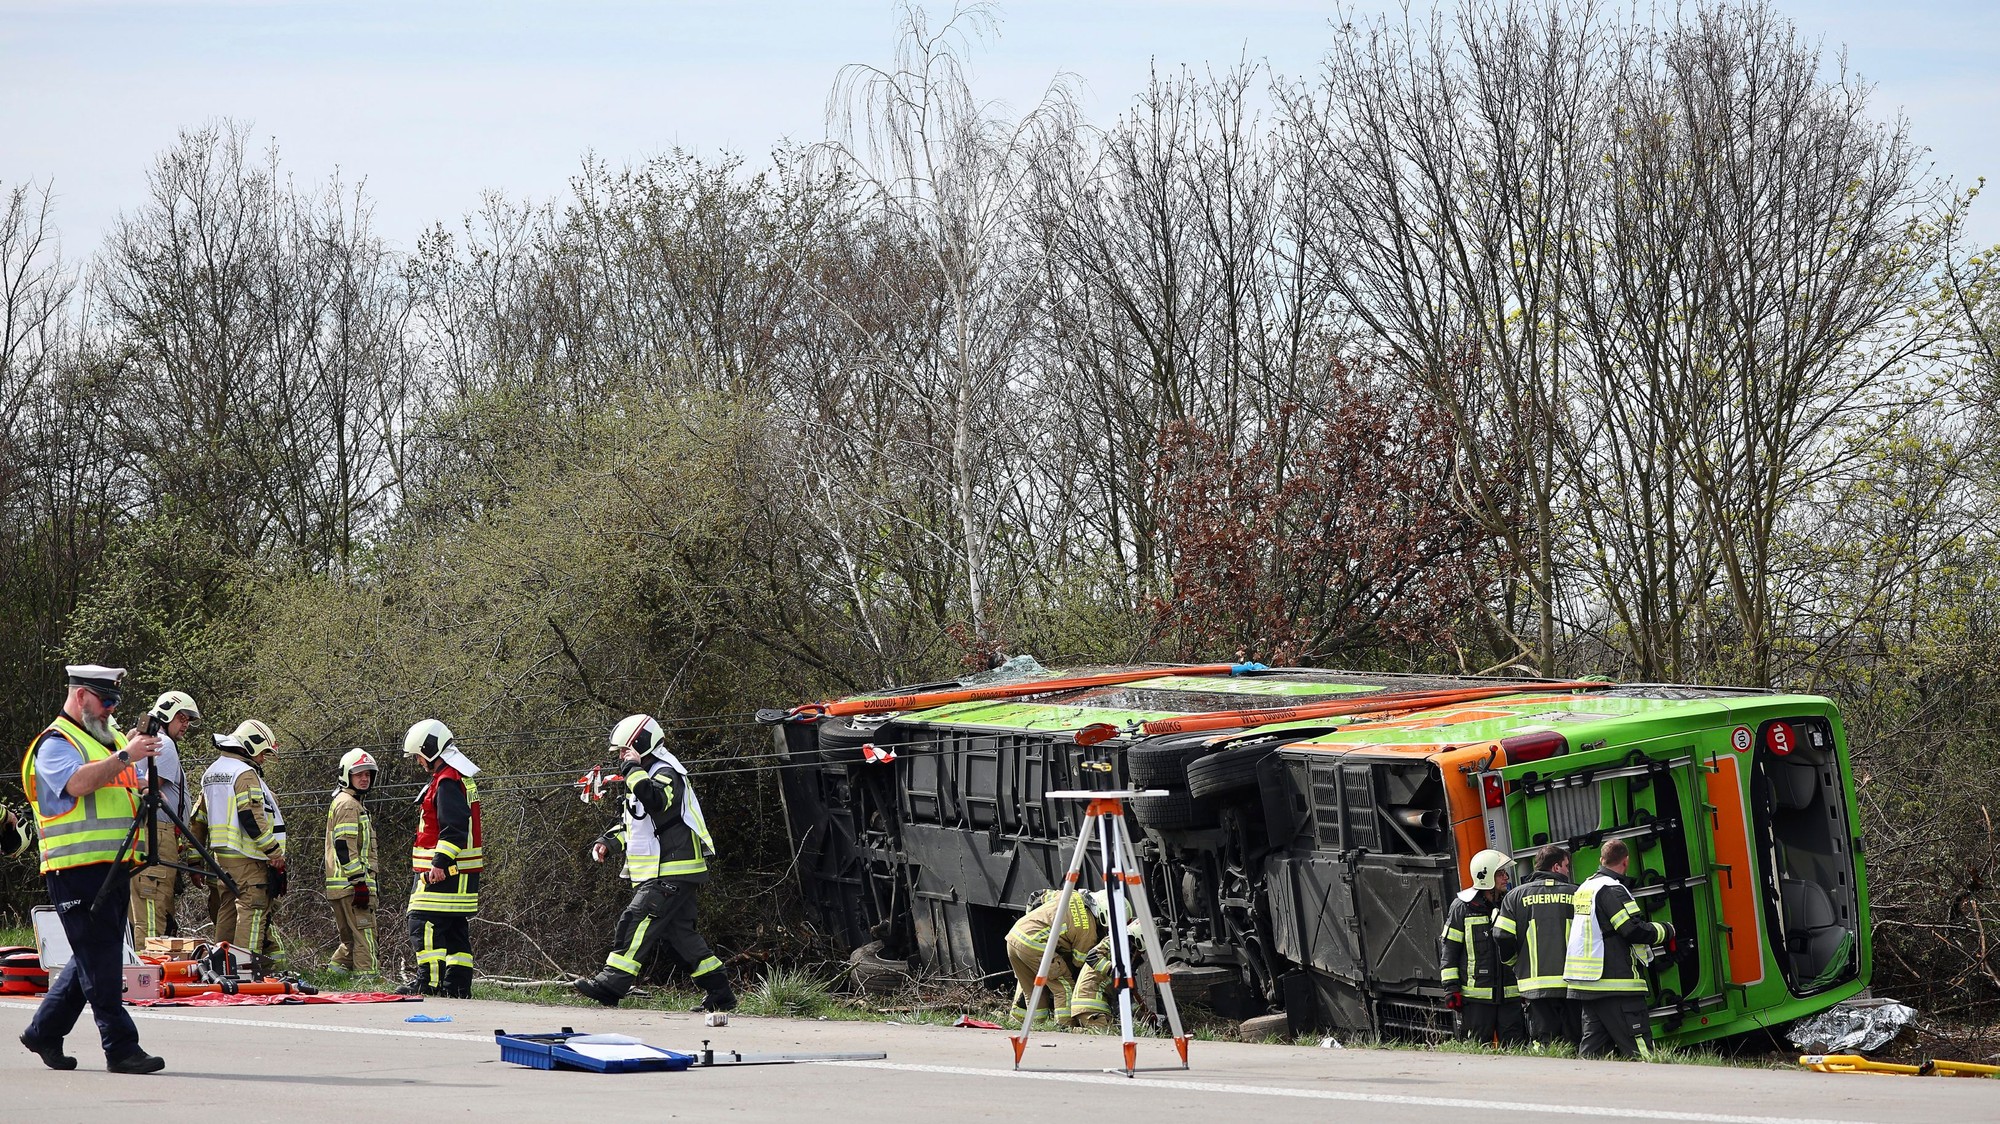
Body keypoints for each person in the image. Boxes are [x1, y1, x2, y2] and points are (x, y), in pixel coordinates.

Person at [17, 663, 166, 1074]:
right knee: (100, 960)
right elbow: (77, 784)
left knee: (94, 956)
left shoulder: (108, 736)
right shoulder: (56, 742)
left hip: (112, 867)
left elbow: (118, 784)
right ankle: (120, 1048)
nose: (111, 709)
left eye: (115, 701)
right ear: (81, 696)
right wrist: (125, 756)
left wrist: (140, 778)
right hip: (74, 869)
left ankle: (43, 1031)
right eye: (106, 700)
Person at [574, 715, 734, 1011]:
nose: (621, 757)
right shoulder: (641, 775)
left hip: (674, 869)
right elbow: (632, 824)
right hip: (660, 870)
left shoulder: (666, 771)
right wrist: (606, 843)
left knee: (635, 920)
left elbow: (657, 801)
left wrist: (633, 769)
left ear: (641, 743)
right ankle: (720, 994)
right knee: (680, 937)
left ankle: (612, 983)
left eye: (625, 750)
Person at [1564, 838, 1675, 1058]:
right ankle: (1654, 1089)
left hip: (1588, 985)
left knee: (1593, 1056)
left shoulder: (1584, 888)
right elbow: (1631, 930)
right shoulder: (1612, 889)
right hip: (1617, 984)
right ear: (1626, 862)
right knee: (1641, 1051)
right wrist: (1666, 930)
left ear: (1601, 860)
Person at [399, 719, 482, 998]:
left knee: (422, 921)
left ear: (430, 750)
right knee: (455, 927)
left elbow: (454, 826)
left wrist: (439, 862)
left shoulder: (447, 780)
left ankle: (429, 983)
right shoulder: (458, 775)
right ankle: (457, 987)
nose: (419, 762)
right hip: (463, 872)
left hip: (447, 870)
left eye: (420, 756)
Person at [196, 720, 286, 963]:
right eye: (263, 753)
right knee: (252, 911)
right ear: (250, 745)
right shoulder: (244, 773)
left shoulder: (213, 771)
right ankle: (246, 969)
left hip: (221, 858)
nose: (263, 760)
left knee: (226, 910)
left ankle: (220, 965)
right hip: (247, 858)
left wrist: (195, 859)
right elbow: (252, 817)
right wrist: (274, 851)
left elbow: (199, 818)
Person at [129, 690, 200, 946]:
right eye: (182, 718)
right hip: (157, 833)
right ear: (167, 715)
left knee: (152, 906)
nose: (185, 725)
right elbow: (149, 787)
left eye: (188, 720)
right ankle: (148, 974)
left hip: (151, 833)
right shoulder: (164, 744)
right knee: (152, 908)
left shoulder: (142, 740)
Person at [1495, 843, 1581, 1050]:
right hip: (1573, 983)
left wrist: (1515, 963)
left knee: (1545, 1043)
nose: (1568, 871)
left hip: (1536, 987)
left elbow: (1501, 935)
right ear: (1556, 867)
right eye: (1567, 866)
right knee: (1575, 1040)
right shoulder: (1577, 894)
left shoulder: (1515, 896)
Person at [1439, 847, 1525, 1046]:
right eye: (1500, 873)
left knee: (1516, 1053)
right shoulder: (1462, 907)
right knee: (1477, 1052)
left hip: (1510, 997)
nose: (1506, 877)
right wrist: (1451, 989)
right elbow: (1449, 951)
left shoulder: (1510, 904)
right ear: (1485, 876)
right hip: (1476, 1001)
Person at [1003, 887, 1116, 1028]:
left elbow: (1036, 895)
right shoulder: (1089, 931)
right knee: (1064, 986)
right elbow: (1079, 962)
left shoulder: (1071, 895)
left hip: (1014, 936)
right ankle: (1065, 1027)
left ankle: (1033, 1026)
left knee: (1033, 989)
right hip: (1036, 945)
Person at [323, 749, 380, 978]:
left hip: (341, 886)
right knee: (365, 937)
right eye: (358, 774)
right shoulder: (349, 805)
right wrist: (359, 883)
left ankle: (332, 978)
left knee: (350, 941)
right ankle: (367, 982)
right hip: (352, 885)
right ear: (347, 775)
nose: (364, 778)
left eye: (368, 774)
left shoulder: (347, 802)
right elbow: (344, 846)